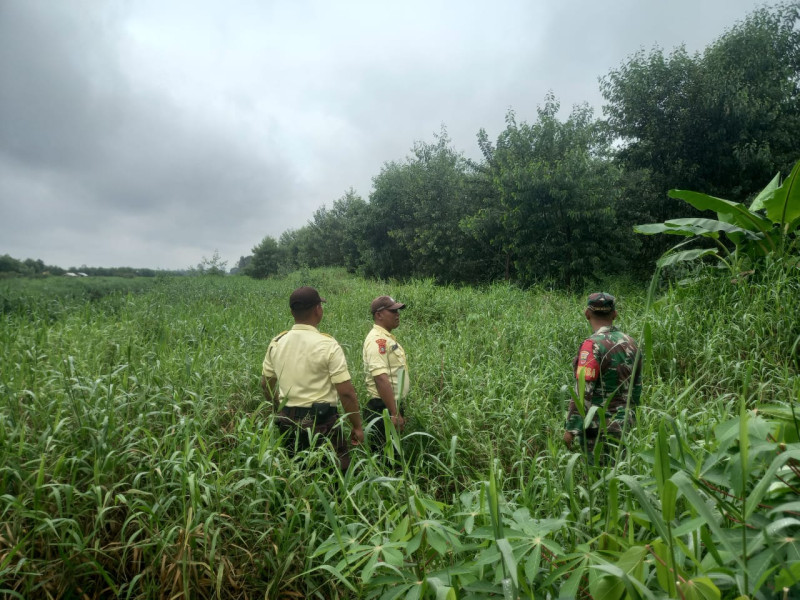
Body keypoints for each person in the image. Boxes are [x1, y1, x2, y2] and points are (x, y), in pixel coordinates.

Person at [261, 286, 363, 471]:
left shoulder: (277, 343)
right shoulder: (328, 345)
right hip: (322, 422)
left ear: (292, 312)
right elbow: (346, 393)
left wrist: (278, 406)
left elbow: (266, 383)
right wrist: (357, 426)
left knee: (297, 471)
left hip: (288, 420)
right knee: (337, 474)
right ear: (318, 309)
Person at [563, 292, 642, 463]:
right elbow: (636, 388)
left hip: (598, 430)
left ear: (587, 314)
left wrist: (571, 429)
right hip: (626, 425)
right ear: (614, 314)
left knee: (597, 480)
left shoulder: (591, 346)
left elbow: (584, 391)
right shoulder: (631, 343)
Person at [362, 295, 410, 452]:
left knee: (393, 456)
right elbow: (381, 379)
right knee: (387, 458)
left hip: (390, 405)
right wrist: (394, 414)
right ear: (379, 315)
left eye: (398, 311)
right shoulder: (377, 341)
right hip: (383, 408)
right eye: (393, 311)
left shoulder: (386, 338)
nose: (397, 315)